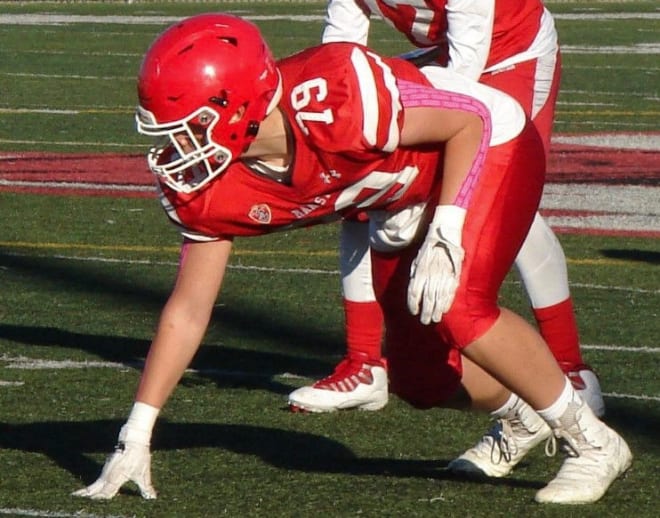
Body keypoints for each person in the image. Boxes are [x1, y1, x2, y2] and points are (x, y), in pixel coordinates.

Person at [72, 14, 630, 504]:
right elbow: (189, 309)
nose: (176, 148)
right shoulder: (212, 186)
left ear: (238, 107)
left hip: (486, 145)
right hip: (403, 193)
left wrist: (448, 228)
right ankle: (521, 414)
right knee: (420, 380)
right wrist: (136, 435)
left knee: (459, 304)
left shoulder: (336, 95)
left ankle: (594, 443)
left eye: (190, 127)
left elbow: (469, 121)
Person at [288, 0, 606, 424]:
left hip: (511, 52)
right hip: (446, 55)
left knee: (508, 197)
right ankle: (364, 363)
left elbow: (465, 72)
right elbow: (339, 52)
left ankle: (571, 367)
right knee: (361, 184)